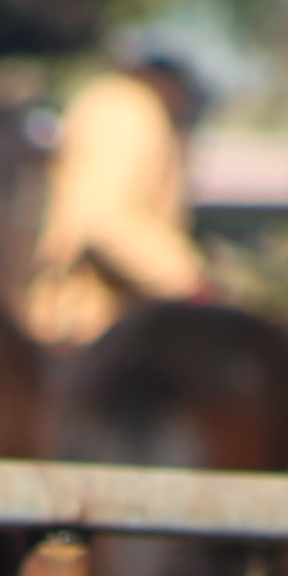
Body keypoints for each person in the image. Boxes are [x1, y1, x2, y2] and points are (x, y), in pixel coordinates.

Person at [25, 38, 212, 347]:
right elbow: (105, 216)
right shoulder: (127, 108)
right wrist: (189, 283)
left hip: (91, 321)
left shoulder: (112, 105)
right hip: (84, 325)